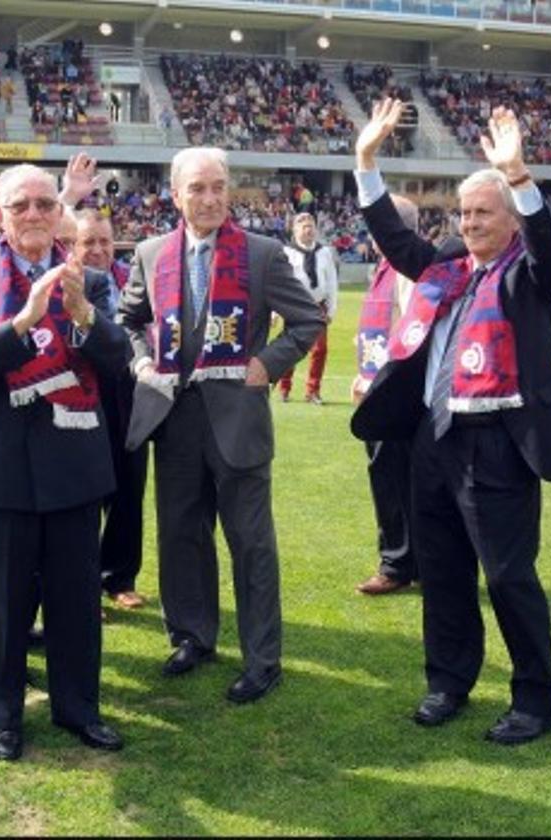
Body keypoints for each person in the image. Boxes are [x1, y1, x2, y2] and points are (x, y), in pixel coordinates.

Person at [351, 99, 551, 745]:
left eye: (484, 212)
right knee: (444, 572)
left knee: (508, 577)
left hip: (498, 444)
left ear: (511, 221)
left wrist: (516, 174)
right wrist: (366, 160)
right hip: (433, 439)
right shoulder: (447, 271)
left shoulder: (529, 277)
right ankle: (448, 682)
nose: (471, 222)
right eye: (464, 213)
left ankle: (534, 700)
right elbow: (394, 237)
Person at [118, 147, 324, 703]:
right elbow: (129, 321)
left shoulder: (262, 254)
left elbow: (308, 319)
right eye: (197, 189)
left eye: (218, 187)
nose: (210, 199)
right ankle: (192, 636)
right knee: (182, 537)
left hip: (238, 420)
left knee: (250, 543)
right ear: (176, 195)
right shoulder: (151, 253)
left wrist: (268, 363)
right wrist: (141, 362)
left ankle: (263, 660)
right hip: (174, 419)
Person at [0, 163, 128, 761]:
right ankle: (4, 716)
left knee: (76, 601)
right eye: (19, 205)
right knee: (0, 605)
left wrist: (83, 315)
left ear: (59, 214)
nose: (33, 214)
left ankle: (78, 709)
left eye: (45, 204)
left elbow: (119, 359)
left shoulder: (91, 282)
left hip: (74, 466)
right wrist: (24, 319)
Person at [60, 153, 150, 610]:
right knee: (82, 492)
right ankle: (80, 583)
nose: (97, 249)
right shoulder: (64, 282)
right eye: (87, 242)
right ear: (71, 245)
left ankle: (119, 577)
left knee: (129, 488)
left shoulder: (133, 278)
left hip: (129, 394)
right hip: (81, 393)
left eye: (104, 241)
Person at [353, 194, 419, 596]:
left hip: (394, 395)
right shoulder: (386, 268)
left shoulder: (407, 271)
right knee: (398, 478)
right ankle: (414, 561)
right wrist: (362, 373)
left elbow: (411, 334)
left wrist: (376, 382)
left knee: (391, 480)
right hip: (380, 387)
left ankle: (396, 564)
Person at [278, 212, 338, 404]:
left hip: (318, 307)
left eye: (311, 226)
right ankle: (284, 387)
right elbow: (280, 284)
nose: (308, 230)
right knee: (292, 348)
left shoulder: (324, 252)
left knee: (320, 349)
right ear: (294, 230)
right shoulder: (287, 253)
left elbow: (332, 282)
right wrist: (276, 311)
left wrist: (331, 310)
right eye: (304, 226)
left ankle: (313, 391)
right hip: (295, 306)